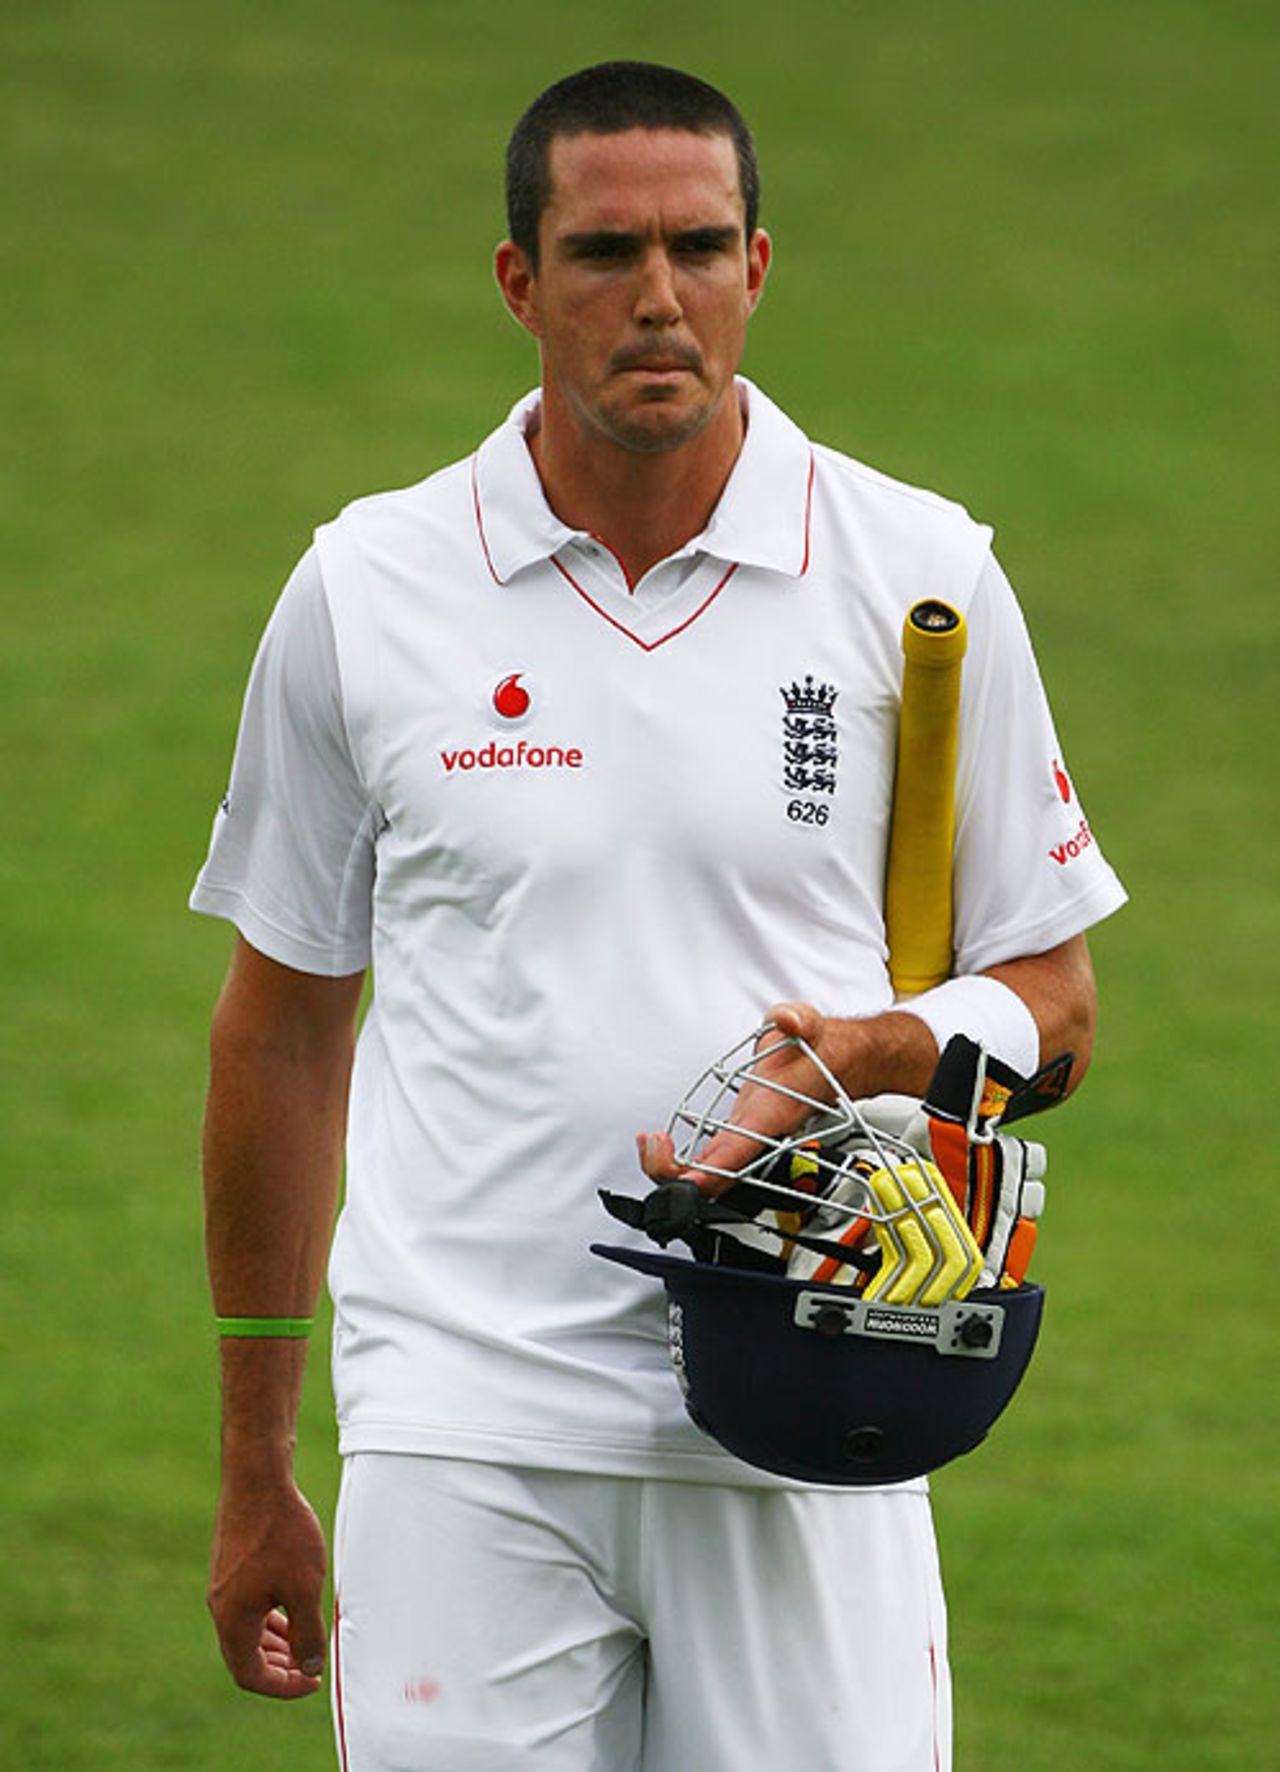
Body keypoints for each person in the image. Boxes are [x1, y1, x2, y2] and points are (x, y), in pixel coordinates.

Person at [192, 60, 1126, 1772]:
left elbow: (1054, 1004)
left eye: (700, 247)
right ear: (518, 281)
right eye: (606, 250)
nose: (657, 296)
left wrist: (889, 1050)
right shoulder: (367, 589)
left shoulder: (922, 578)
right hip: (462, 1426)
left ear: (758, 267)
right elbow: (284, 1020)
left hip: (809, 1399)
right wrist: (259, 1454)